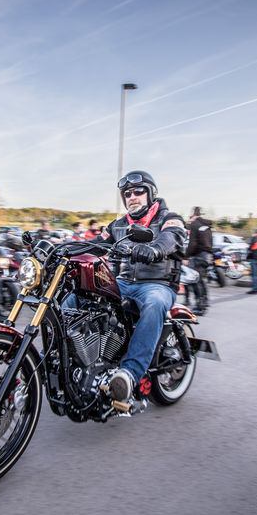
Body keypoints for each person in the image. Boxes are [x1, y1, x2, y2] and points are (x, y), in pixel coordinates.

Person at [97, 170, 187, 402]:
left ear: (150, 193)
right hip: (123, 282)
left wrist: (154, 249)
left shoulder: (169, 218)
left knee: (154, 303)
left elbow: (171, 238)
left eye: (138, 192)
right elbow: (95, 244)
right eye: (127, 194)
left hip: (158, 284)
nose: (132, 197)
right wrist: (58, 249)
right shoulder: (118, 225)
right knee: (82, 293)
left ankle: (129, 374)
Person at [185, 206, 214, 312]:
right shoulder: (206, 225)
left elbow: (192, 243)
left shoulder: (195, 224)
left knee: (195, 280)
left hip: (198, 255)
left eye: (190, 216)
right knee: (201, 280)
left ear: (193, 215)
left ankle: (200, 307)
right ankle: (205, 301)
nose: (189, 218)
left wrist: (186, 256)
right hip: (207, 255)